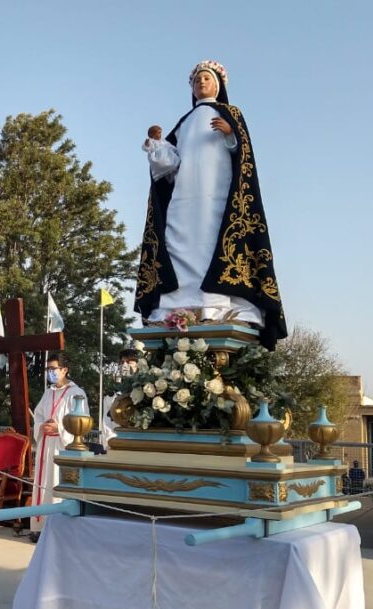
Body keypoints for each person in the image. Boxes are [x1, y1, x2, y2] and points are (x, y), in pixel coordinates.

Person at [135, 60, 287, 349]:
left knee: (212, 242)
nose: (201, 83)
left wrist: (230, 134)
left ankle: (216, 306)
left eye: (207, 78)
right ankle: (177, 306)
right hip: (184, 198)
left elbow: (242, 156)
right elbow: (169, 166)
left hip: (218, 198)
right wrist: (156, 145)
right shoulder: (185, 122)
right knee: (180, 242)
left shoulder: (231, 114)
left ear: (218, 85)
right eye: (197, 80)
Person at [29, 353, 86, 541]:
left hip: (62, 445)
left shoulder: (76, 393)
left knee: (56, 486)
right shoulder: (48, 392)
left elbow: (82, 420)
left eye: (53, 369)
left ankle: (56, 530)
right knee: (42, 485)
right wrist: (41, 425)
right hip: (46, 444)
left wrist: (59, 427)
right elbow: (38, 415)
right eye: (48, 369)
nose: (50, 373)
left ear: (64, 370)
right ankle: (39, 527)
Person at [98, 348, 139, 453]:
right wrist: (112, 444)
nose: (124, 365)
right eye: (122, 362)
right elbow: (106, 426)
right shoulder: (111, 395)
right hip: (117, 445)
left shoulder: (146, 390)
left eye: (129, 362)